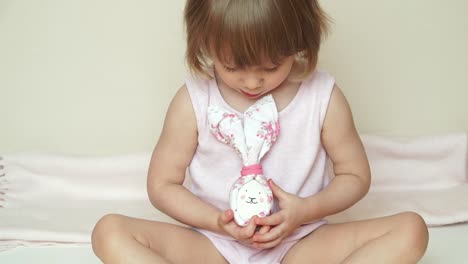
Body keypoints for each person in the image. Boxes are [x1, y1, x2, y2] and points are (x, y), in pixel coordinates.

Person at [91, 0, 429, 263]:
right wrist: (216, 222)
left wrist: (304, 211)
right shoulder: (193, 99)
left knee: (412, 230)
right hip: (214, 245)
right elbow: (162, 185)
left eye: (271, 67)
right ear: (205, 43)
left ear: (300, 44)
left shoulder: (322, 96)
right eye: (232, 66)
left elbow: (355, 175)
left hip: (300, 244)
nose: (252, 82)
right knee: (108, 232)